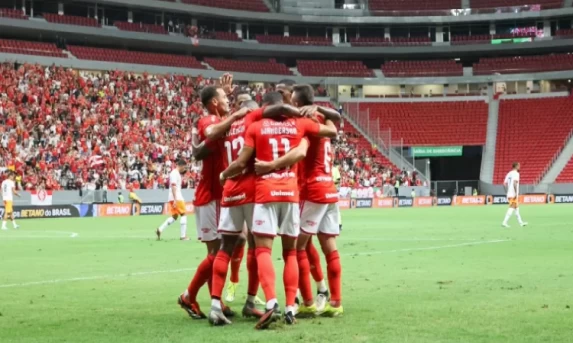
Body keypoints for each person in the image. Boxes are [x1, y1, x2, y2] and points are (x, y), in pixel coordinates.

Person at [220, 98, 338, 329]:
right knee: (291, 253)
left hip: (265, 194)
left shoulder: (255, 127)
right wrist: (318, 110)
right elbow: (332, 130)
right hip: (291, 195)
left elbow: (242, 162)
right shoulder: (300, 124)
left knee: (263, 250)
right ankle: (290, 307)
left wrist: (224, 175)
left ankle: (271, 301)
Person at [255, 84, 343, 318]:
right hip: (330, 189)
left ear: (297, 102)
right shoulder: (322, 118)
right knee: (328, 245)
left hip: (311, 189)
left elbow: (299, 146)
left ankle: (307, 301)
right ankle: (335, 301)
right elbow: (334, 127)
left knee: (297, 246)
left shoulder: (302, 122)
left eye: (292, 100)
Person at [209, 92, 289, 325]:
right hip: (252, 190)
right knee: (257, 246)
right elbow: (272, 112)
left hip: (230, 192)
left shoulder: (227, 125)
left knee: (226, 246)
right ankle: (252, 302)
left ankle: (215, 305)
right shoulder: (254, 119)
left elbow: (211, 134)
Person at [178, 76, 241, 320]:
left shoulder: (217, 118)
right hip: (211, 196)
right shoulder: (209, 120)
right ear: (214, 102)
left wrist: (224, 102)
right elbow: (211, 133)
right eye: (226, 98)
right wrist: (232, 115)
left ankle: (215, 299)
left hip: (219, 195)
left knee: (225, 249)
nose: (230, 100)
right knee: (218, 253)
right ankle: (190, 296)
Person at [156, 159, 189, 241]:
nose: (184, 169)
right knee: (183, 214)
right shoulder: (174, 173)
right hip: (176, 197)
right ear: (180, 165)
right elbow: (173, 186)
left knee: (174, 216)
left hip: (172, 197)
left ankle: (160, 229)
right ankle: (183, 236)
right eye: (184, 167)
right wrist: (175, 199)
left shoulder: (176, 173)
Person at [502, 162, 528, 228]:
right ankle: (504, 222)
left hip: (509, 193)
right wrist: (516, 193)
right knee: (512, 207)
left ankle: (521, 223)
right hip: (513, 194)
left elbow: (504, 184)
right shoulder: (516, 174)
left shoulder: (509, 173)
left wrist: (507, 192)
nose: (520, 167)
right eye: (519, 166)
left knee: (517, 209)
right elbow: (514, 183)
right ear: (516, 166)